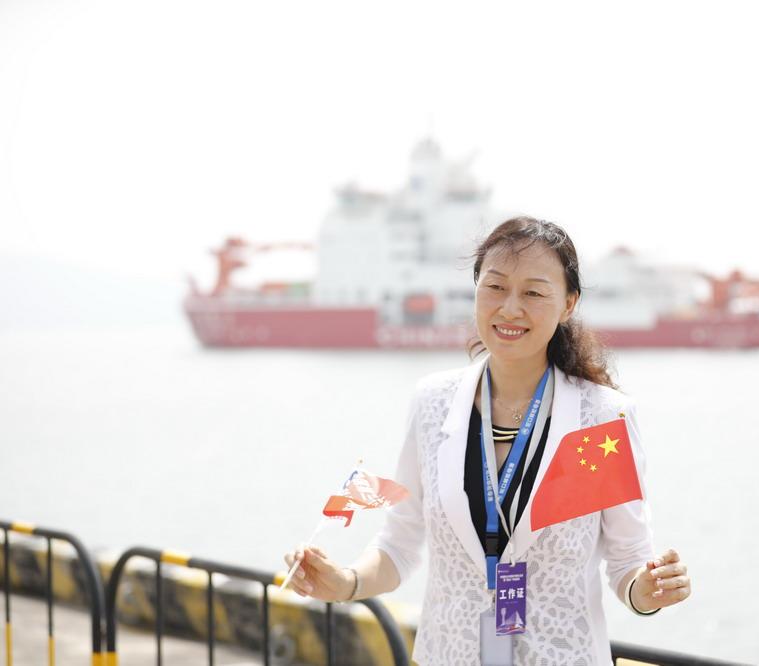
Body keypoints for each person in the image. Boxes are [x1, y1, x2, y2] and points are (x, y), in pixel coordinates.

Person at [284, 217, 691, 665]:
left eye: (533, 293)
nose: (510, 308)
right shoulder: (433, 402)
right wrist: (345, 583)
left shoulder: (599, 420)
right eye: (495, 287)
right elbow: (400, 542)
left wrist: (648, 590)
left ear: (568, 304)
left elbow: (628, 561)